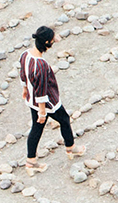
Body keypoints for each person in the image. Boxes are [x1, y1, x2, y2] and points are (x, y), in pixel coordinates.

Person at [18, 26, 83, 175]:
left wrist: (25, 89)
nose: (54, 42)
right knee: (64, 119)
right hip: (47, 103)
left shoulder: (25, 54)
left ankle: (31, 161)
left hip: (32, 99)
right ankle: (70, 147)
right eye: (52, 40)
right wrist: (42, 110)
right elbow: (41, 89)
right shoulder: (41, 65)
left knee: (36, 129)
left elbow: (23, 73)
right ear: (47, 42)